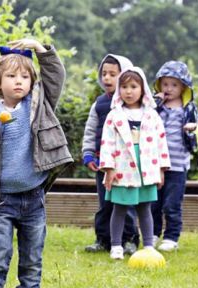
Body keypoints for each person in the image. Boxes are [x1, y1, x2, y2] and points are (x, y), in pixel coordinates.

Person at [0, 39, 73, 287]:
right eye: (12, 76)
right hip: (3, 199)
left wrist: (40, 49)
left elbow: (56, 75)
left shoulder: (38, 105)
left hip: (34, 197)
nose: (19, 81)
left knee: (32, 257)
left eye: (25, 77)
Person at [98, 67, 170, 260]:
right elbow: (107, 142)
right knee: (119, 208)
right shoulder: (114, 115)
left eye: (133, 86)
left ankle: (148, 245)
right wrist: (109, 168)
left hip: (146, 166)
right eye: (124, 87)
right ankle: (116, 246)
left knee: (145, 208)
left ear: (142, 89)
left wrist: (161, 169)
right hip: (122, 167)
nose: (128, 91)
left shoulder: (152, 115)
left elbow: (161, 142)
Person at [81, 54, 140, 254]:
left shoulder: (135, 108)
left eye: (113, 74)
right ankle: (103, 239)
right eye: (104, 73)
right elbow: (90, 131)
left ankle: (130, 239)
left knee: (127, 203)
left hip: (127, 165)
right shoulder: (99, 104)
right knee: (105, 203)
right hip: (103, 164)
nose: (107, 78)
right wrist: (89, 154)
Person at [151, 60, 198, 251]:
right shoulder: (157, 106)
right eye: (165, 84)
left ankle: (171, 237)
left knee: (172, 205)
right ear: (159, 85)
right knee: (153, 203)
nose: (169, 89)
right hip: (156, 164)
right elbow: (145, 120)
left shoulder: (188, 108)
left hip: (177, 165)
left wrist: (192, 128)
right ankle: (153, 233)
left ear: (183, 87)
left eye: (174, 85)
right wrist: (155, 103)